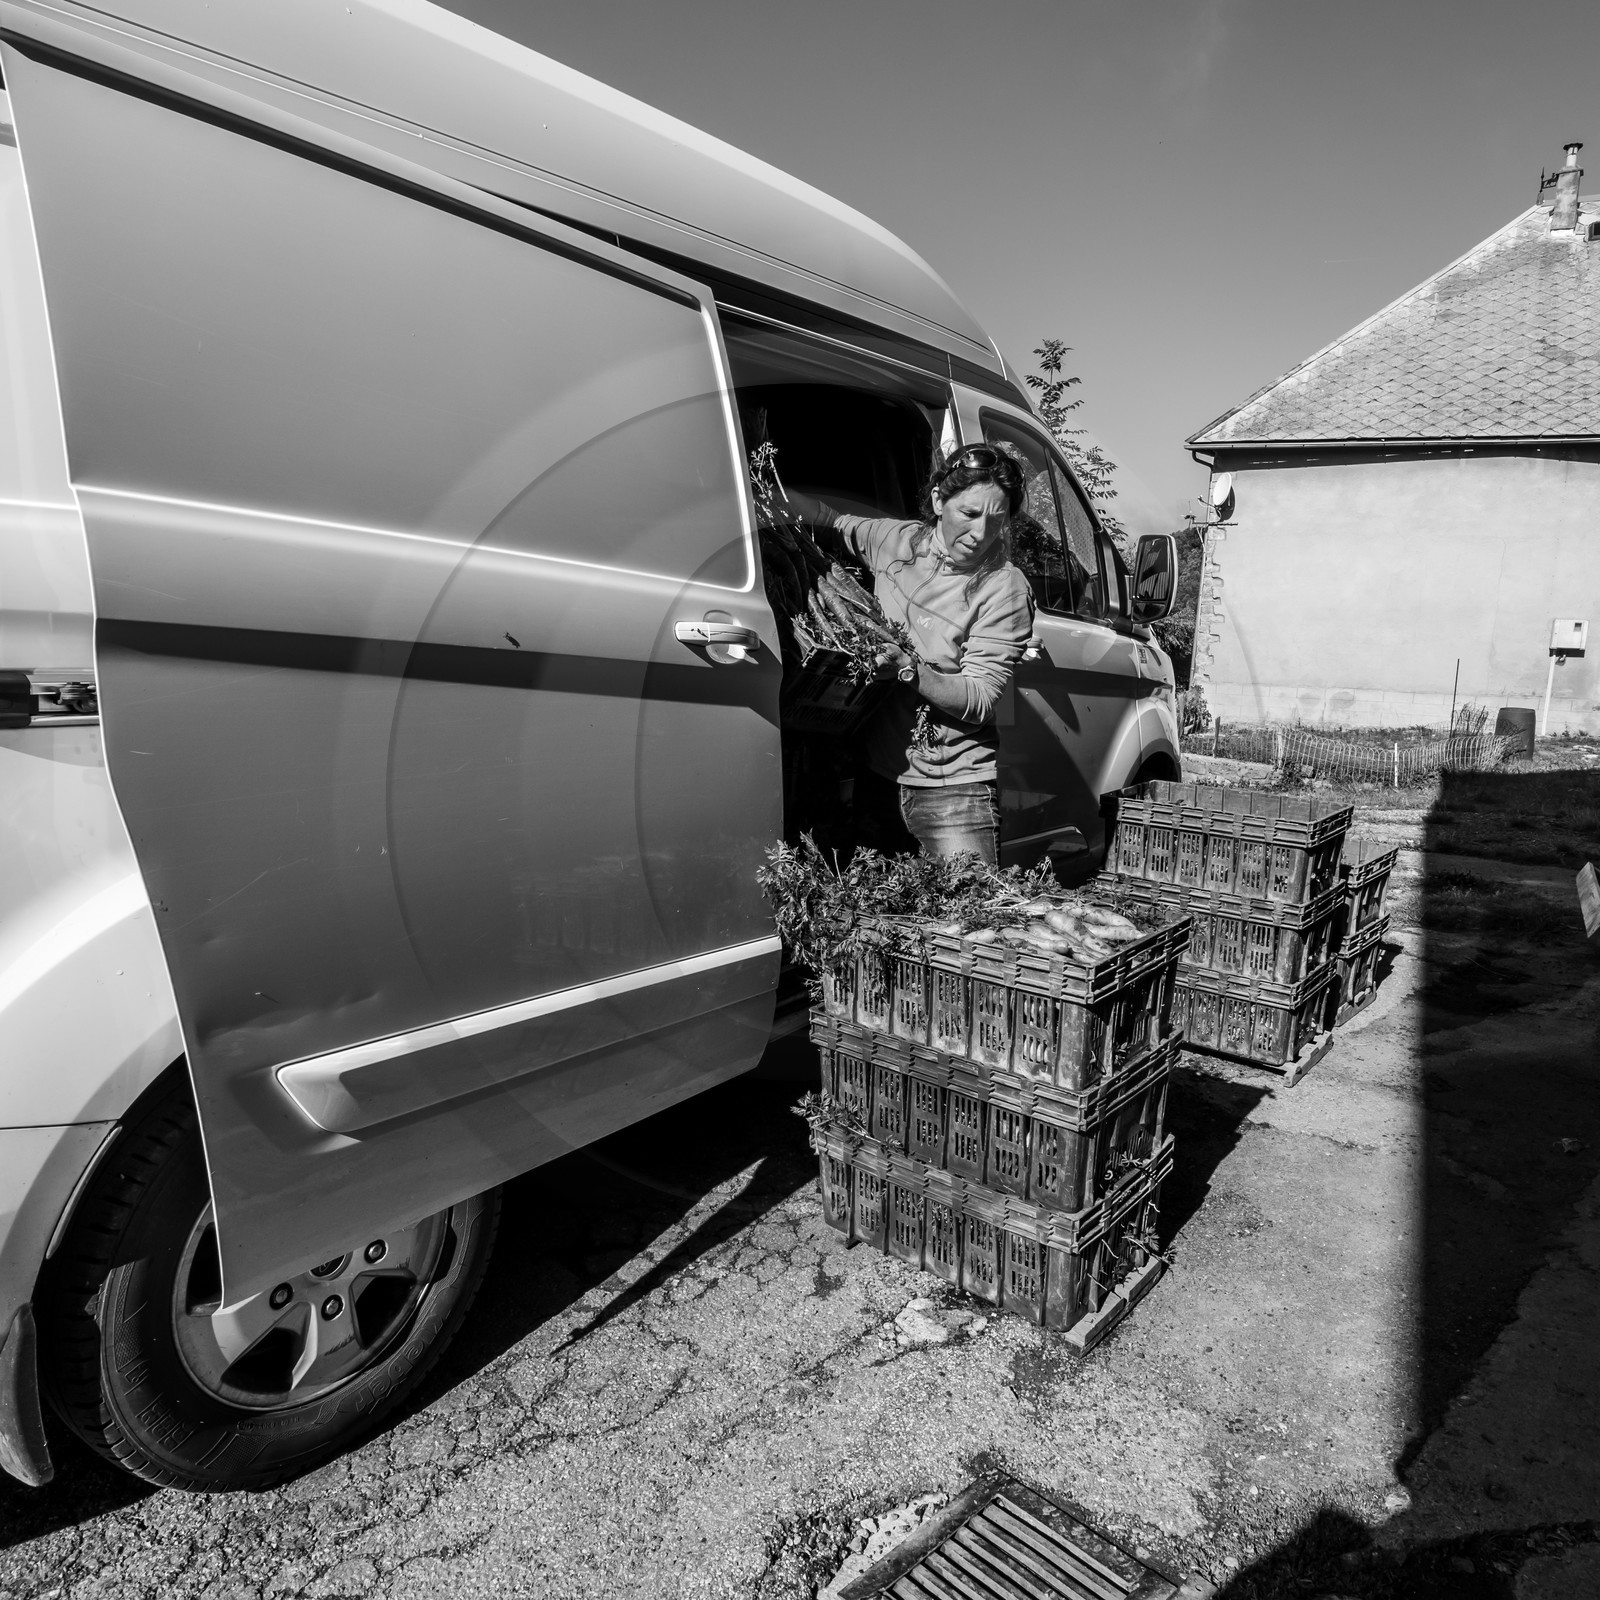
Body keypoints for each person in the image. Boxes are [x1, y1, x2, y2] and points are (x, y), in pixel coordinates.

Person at [777, 444, 1035, 864]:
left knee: (967, 922)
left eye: (997, 519)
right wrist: (759, 496)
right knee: (887, 919)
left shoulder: (1004, 586)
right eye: (968, 514)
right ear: (938, 500)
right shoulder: (897, 541)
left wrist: (909, 671)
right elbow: (828, 520)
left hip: (953, 790)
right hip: (877, 774)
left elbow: (983, 699)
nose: (981, 533)